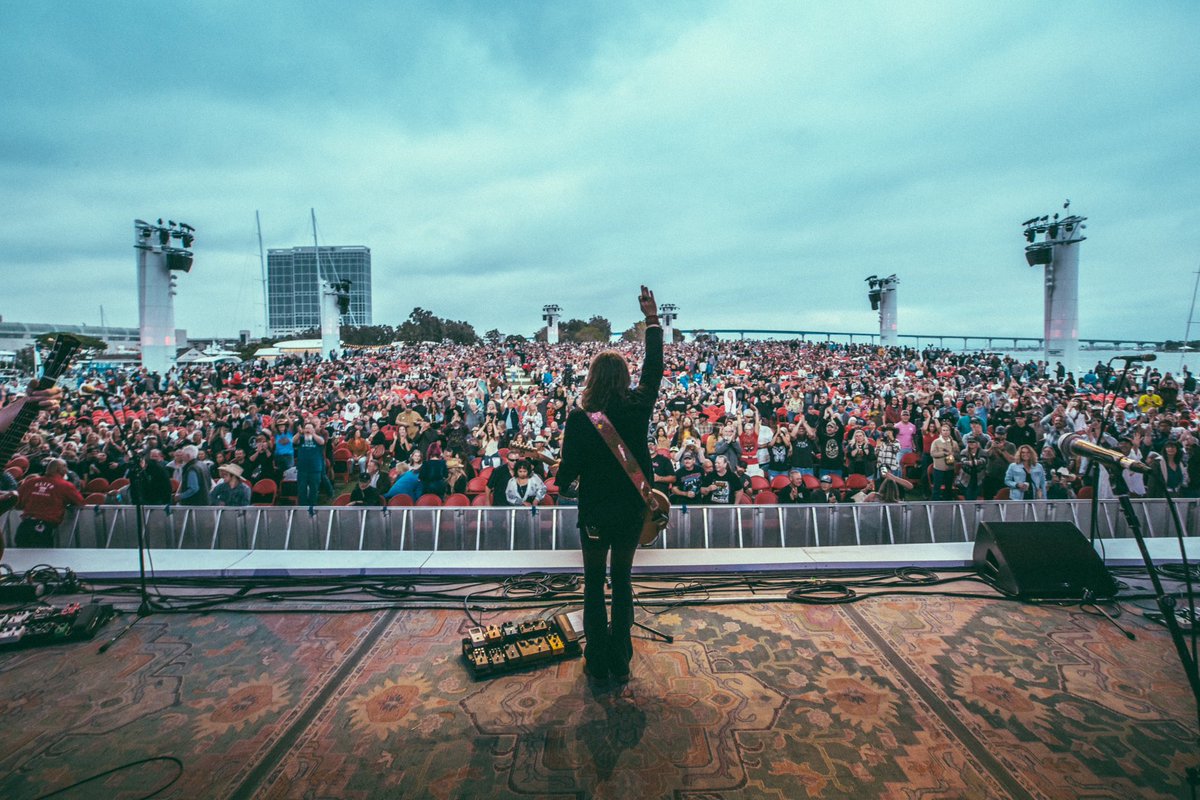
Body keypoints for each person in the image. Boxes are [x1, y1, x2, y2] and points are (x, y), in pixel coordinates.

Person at [555, 285, 663, 684]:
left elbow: (567, 474)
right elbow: (655, 369)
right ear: (624, 378)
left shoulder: (581, 419)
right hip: (632, 510)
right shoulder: (638, 407)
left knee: (593, 584)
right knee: (622, 581)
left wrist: (566, 484)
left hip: (596, 513)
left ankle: (595, 657)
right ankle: (621, 658)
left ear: (592, 378)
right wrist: (652, 321)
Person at [14, 458, 85, 547]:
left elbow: (17, 503)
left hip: (25, 526)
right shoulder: (65, 485)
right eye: (66, 467)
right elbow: (80, 502)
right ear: (61, 469)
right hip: (42, 528)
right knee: (43, 558)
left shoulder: (30, 482)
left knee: (20, 557)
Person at [293, 422, 326, 507]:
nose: (308, 430)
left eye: (310, 428)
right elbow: (293, 441)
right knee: (301, 489)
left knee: (314, 489)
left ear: (313, 429)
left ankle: (313, 506)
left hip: (315, 468)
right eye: (306, 428)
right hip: (302, 468)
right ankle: (303, 507)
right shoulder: (301, 438)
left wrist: (313, 433)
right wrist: (299, 433)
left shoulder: (318, 438)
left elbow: (322, 442)